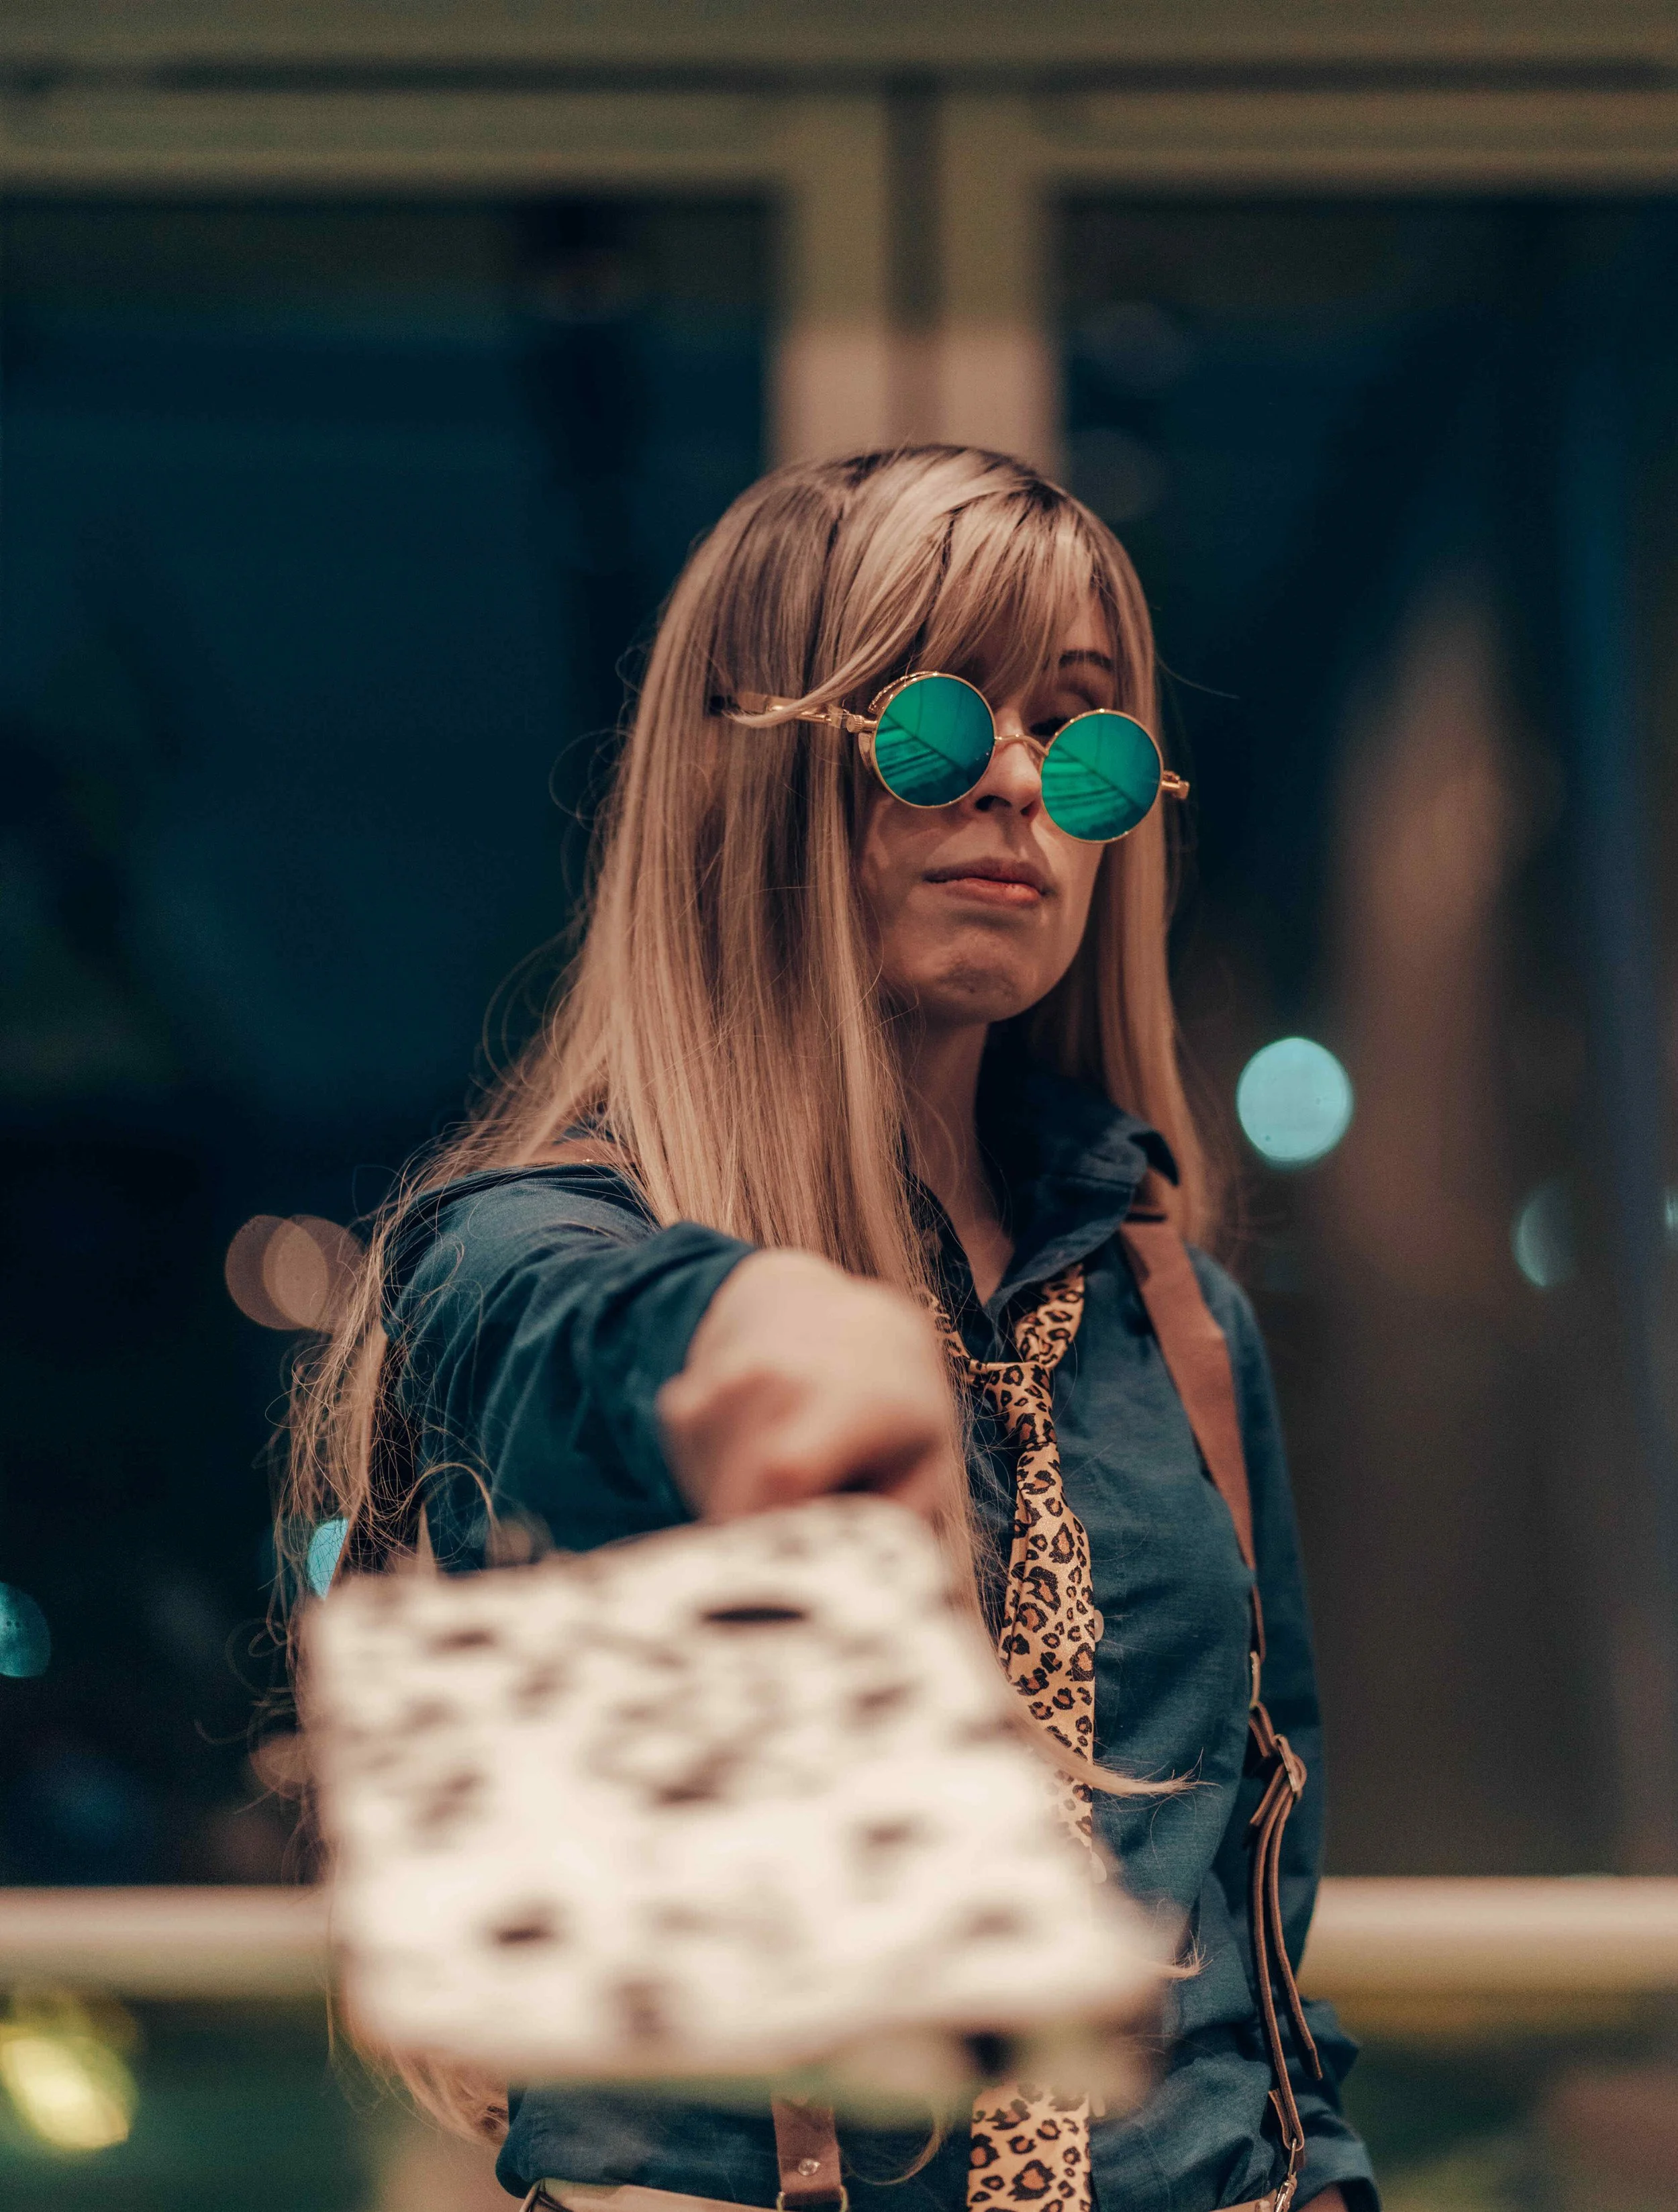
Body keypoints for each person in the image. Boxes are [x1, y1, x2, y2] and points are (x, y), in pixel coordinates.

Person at [285, 445, 1376, 2212]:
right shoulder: (529, 1250)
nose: (1020, 787)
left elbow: (1256, 1923)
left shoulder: (1173, 1317)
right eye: (939, 728)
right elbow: (539, 1324)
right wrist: (754, 1327)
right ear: (753, 762)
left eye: (1084, 741)